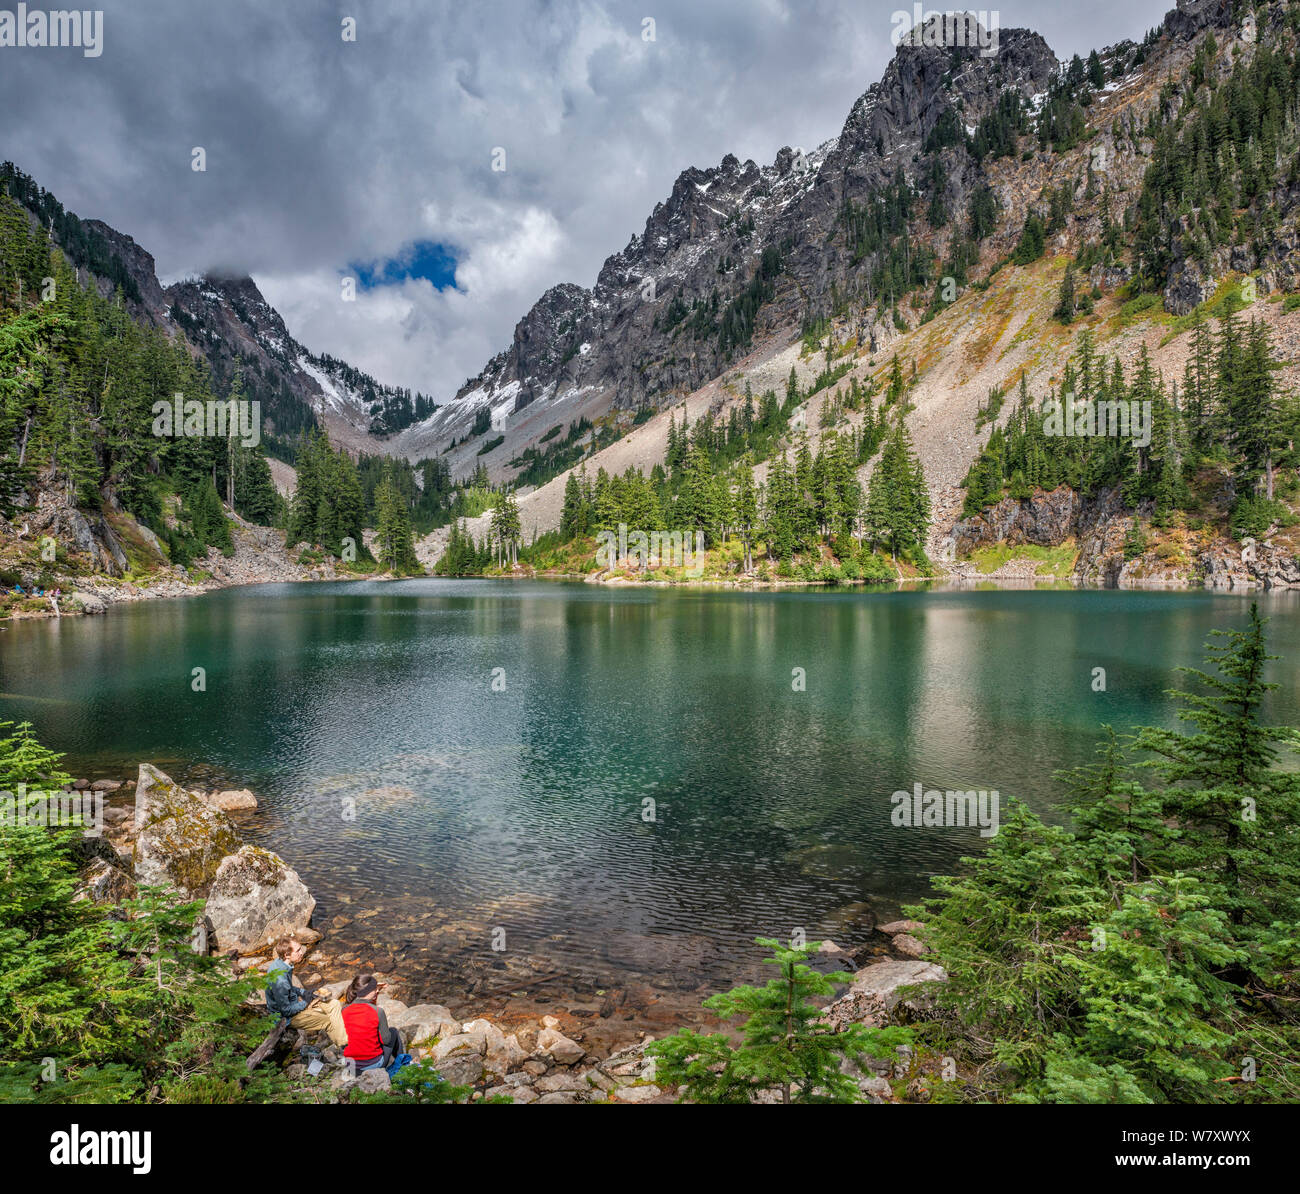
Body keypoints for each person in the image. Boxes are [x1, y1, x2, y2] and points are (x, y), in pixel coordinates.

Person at [264, 937, 347, 1046]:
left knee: (334, 1004)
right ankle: (345, 1046)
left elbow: (289, 988)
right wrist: (306, 1002)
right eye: (297, 950)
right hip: (286, 1018)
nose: (302, 952)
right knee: (328, 1021)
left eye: (300, 949)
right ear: (287, 955)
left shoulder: (281, 963)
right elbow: (286, 1011)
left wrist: (304, 992)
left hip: (293, 1003)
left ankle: (343, 1039)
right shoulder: (280, 979)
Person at [341, 974, 403, 1072]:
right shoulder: (378, 1011)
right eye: (375, 989)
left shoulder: (344, 1010)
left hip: (351, 1066)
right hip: (373, 1064)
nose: (377, 991)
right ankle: (402, 1066)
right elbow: (386, 1041)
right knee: (393, 1032)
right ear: (368, 991)